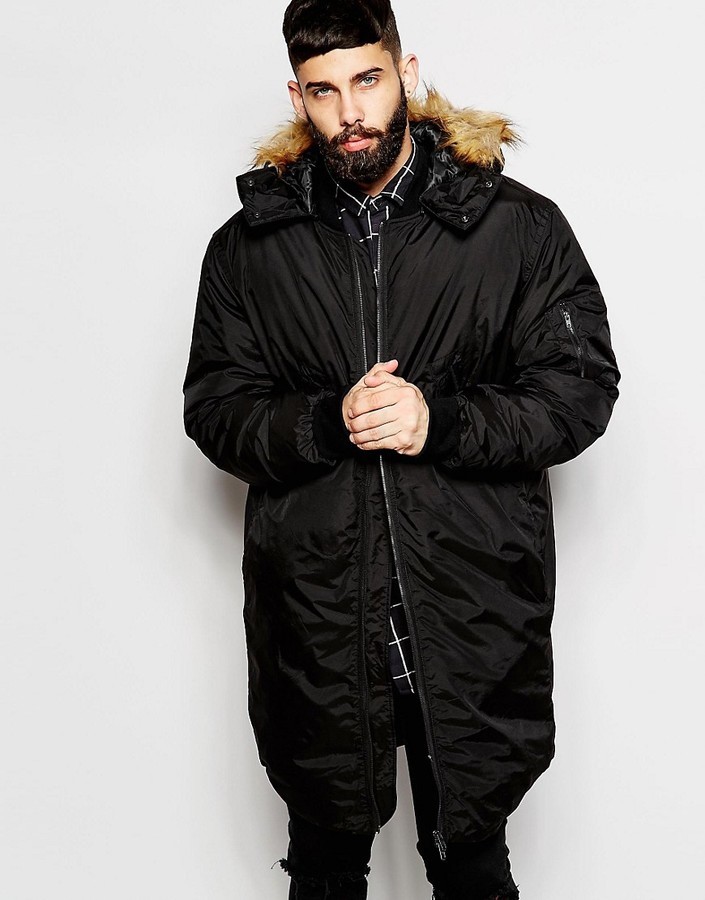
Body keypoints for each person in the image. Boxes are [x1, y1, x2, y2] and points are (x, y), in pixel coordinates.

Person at [182, 1, 620, 897]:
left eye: (367, 80)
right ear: (297, 97)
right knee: (325, 868)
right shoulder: (247, 247)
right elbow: (215, 409)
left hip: (466, 609)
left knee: (471, 869)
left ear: (406, 73)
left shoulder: (516, 227)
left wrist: (440, 422)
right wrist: (321, 422)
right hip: (317, 616)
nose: (350, 112)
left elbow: (578, 390)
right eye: (324, 91)